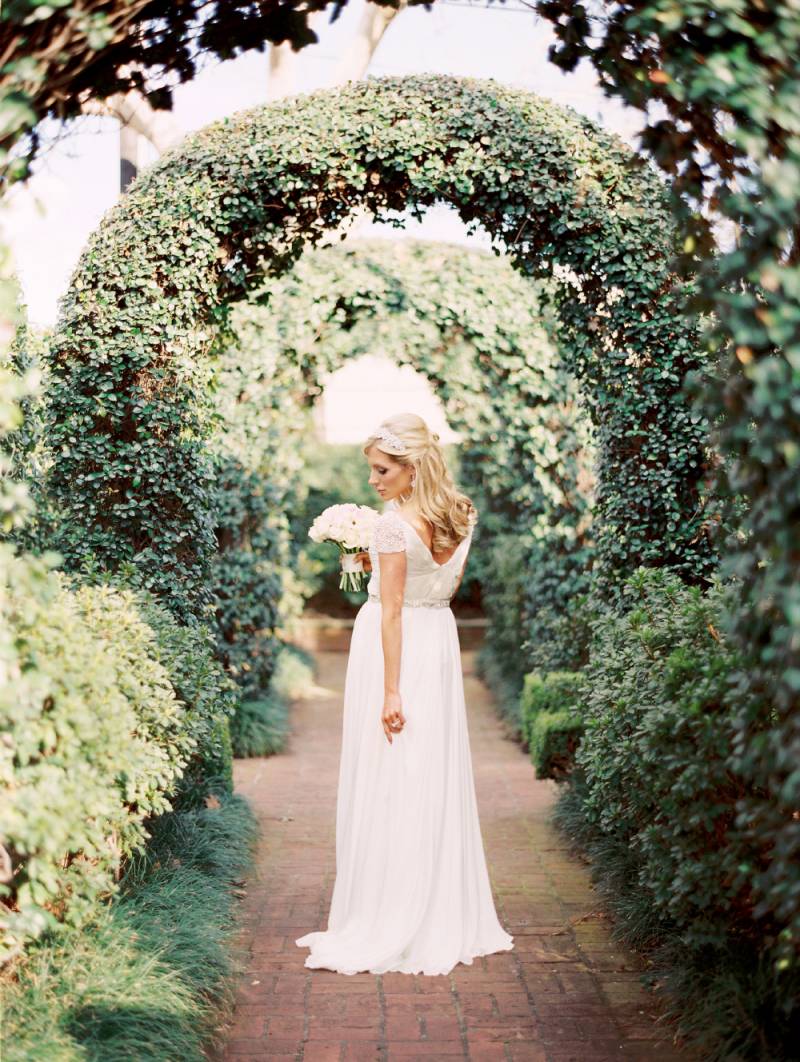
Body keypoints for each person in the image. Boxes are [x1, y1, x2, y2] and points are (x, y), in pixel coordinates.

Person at [295, 413, 514, 976]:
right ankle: (444, 905)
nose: (374, 480)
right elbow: (442, 586)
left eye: (382, 470)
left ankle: (391, 909)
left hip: (393, 650)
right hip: (436, 641)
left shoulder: (393, 527)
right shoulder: (462, 514)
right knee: (429, 769)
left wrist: (391, 691)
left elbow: (391, 610)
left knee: (391, 771)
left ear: (412, 468)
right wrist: (376, 565)